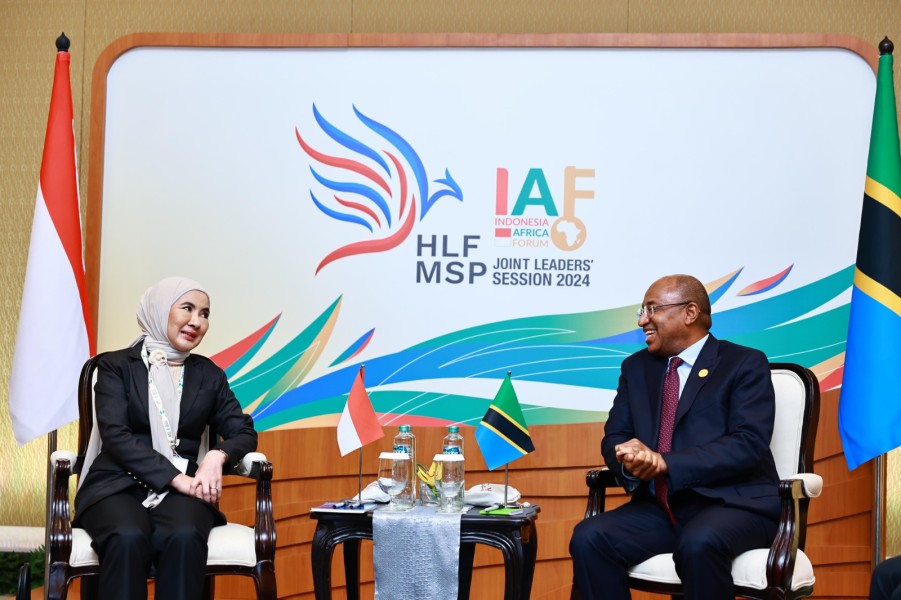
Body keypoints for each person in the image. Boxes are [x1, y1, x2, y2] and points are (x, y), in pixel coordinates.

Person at [569, 274, 780, 599]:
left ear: (690, 312)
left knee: (699, 543)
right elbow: (616, 435)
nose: (642, 320)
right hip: (662, 508)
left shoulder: (743, 363)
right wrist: (629, 458)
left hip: (732, 505)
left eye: (652, 309)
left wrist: (665, 463)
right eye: (642, 311)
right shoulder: (636, 368)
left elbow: (747, 444)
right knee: (590, 537)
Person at [74, 277, 258, 600]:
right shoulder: (117, 366)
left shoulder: (209, 375)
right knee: (127, 536)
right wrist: (175, 478)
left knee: (184, 536)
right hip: (116, 484)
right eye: (187, 308)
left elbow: (243, 431)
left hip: (184, 493)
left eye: (204, 313)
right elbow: (115, 435)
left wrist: (217, 456)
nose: (196, 321)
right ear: (159, 310)